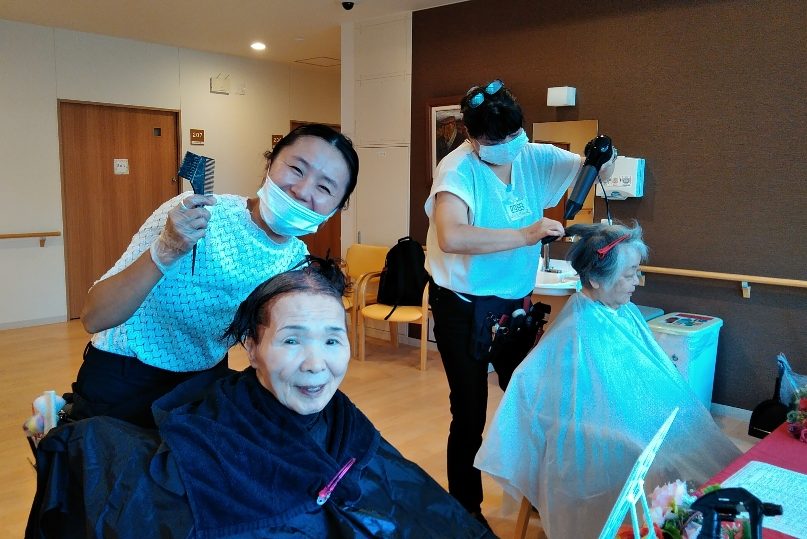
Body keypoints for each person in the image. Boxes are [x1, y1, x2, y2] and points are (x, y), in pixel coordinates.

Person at [27, 259, 495, 539]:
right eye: (292, 340)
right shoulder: (212, 431)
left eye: (333, 340)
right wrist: (64, 441)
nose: (316, 364)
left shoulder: (345, 425)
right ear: (251, 347)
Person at [69, 123, 359, 428]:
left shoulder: (295, 264)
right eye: (296, 169)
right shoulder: (194, 216)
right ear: (270, 163)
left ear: (336, 208)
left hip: (203, 384)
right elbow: (94, 317)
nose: (302, 191)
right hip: (122, 377)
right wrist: (166, 249)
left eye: (325, 188)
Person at [424, 78, 616, 526]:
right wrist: (527, 234)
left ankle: (540, 492)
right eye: (496, 140)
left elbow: (595, 173)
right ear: (471, 136)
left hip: (513, 305)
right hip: (461, 304)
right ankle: (465, 510)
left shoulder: (534, 156)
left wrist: (600, 161)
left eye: (513, 134)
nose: (509, 145)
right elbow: (452, 236)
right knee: (469, 410)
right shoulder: (457, 169)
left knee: (533, 399)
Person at [474, 222, 742, 539]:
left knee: (693, 434)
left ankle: (687, 516)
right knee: (652, 455)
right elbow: (563, 405)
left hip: (626, 416)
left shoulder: (624, 312)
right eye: (629, 274)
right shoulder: (577, 329)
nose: (636, 282)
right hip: (589, 433)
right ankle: (648, 524)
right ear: (596, 279)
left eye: (637, 272)